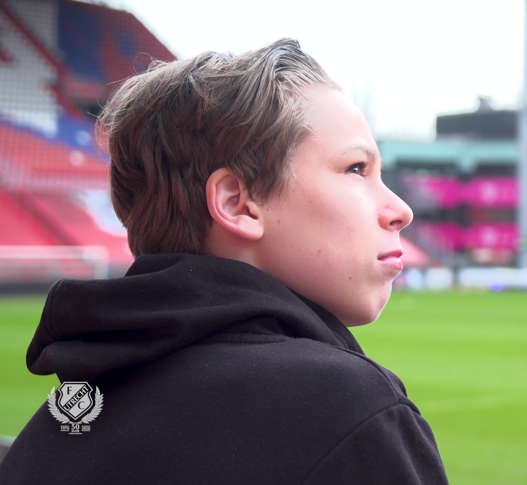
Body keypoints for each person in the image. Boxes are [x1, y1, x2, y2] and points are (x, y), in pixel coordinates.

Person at [0, 38, 448, 484]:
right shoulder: (350, 410)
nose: (401, 210)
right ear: (237, 204)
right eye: (356, 169)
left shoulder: (54, 426)